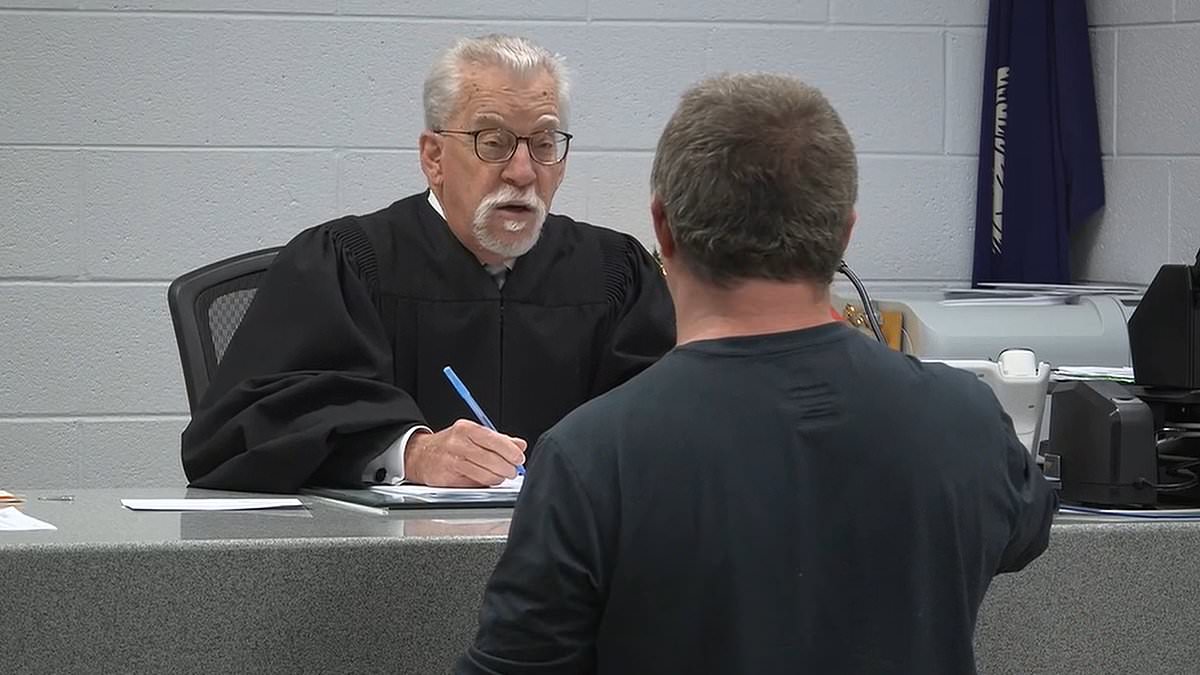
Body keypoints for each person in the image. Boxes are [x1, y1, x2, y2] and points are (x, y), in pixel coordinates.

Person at [459, 73, 1056, 674]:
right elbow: (1026, 529)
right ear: (844, 233)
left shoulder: (592, 456)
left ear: (663, 229)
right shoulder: (966, 420)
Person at [180, 35, 675, 492]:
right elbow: (230, 432)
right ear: (433, 157)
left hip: (573, 553)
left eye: (544, 144)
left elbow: (668, 424)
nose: (523, 172)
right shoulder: (347, 264)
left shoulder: (615, 275)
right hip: (381, 557)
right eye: (493, 141)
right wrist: (409, 452)